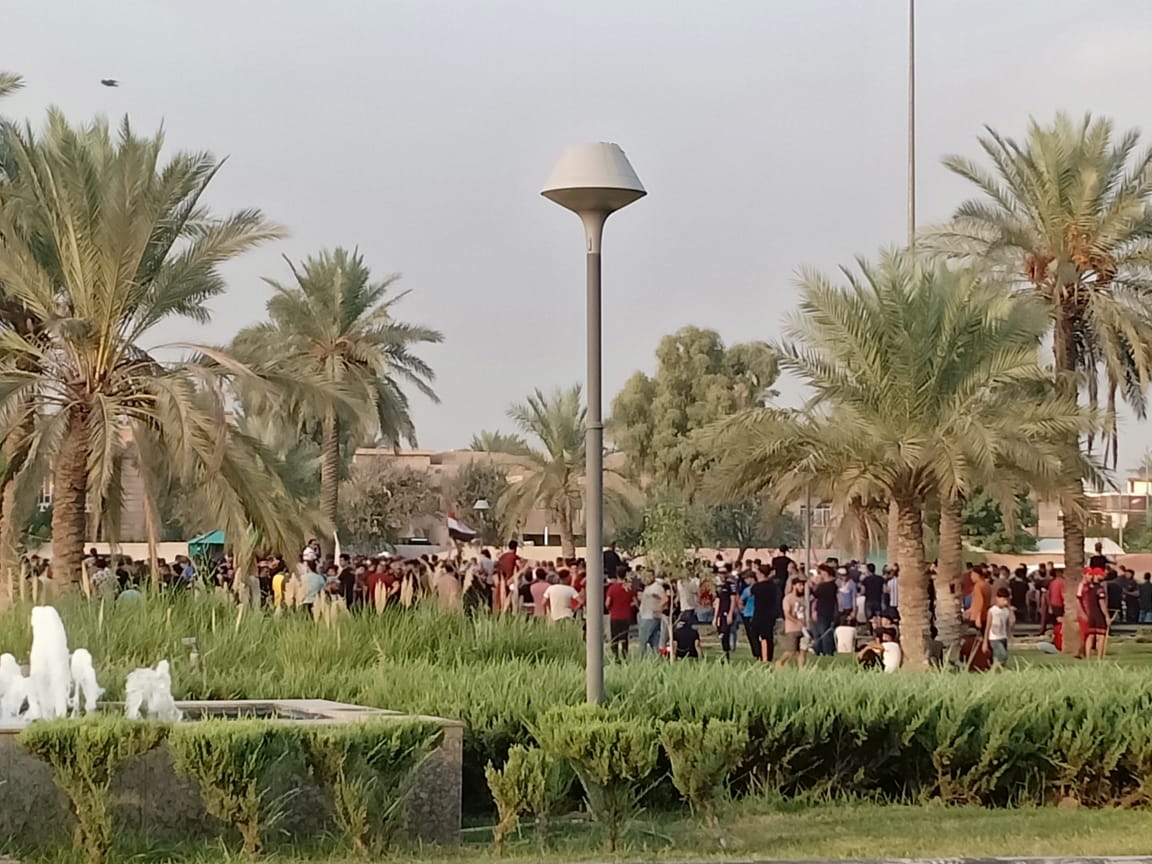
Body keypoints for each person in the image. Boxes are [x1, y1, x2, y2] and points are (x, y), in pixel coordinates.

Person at [749, 566, 780, 663]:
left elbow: (750, 593)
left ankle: (759, 654)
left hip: (759, 613)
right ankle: (768, 656)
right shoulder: (773, 586)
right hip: (770, 614)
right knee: (768, 636)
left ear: (761, 574)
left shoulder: (757, 587)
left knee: (754, 635)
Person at [604, 571, 636, 659]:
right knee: (624, 637)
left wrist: (610, 608)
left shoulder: (612, 588)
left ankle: (616, 657)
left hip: (615, 616)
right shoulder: (629, 588)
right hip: (626, 616)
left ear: (617, 576)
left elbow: (607, 603)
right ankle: (624, 656)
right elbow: (636, 602)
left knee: (615, 637)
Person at [777, 576, 807, 668]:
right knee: (791, 651)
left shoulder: (802, 599)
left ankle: (802, 670)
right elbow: (787, 614)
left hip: (803, 629)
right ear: (794, 585)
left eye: (803, 585)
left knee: (803, 650)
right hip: (792, 629)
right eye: (800, 585)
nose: (802, 587)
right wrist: (797, 622)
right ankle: (780, 663)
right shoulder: (788, 598)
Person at [984, 587, 1015, 667]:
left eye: (1006, 600)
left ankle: (997, 670)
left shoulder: (1006, 611)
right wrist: (985, 642)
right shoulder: (992, 611)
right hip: (994, 638)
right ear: (997, 598)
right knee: (1002, 655)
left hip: (1003, 637)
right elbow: (988, 626)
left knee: (999, 658)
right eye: (1003, 600)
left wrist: (1009, 635)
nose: (1005, 602)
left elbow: (1009, 623)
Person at [638, 573, 668, 655]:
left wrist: (658, 607)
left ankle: (641, 659)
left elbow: (665, 599)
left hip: (649, 617)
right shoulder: (648, 587)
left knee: (643, 640)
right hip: (647, 615)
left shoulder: (657, 587)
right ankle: (656, 658)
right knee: (654, 641)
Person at [811, 566, 838, 656]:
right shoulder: (832, 585)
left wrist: (813, 585)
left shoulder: (827, 586)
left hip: (823, 612)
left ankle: (827, 651)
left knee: (824, 633)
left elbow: (816, 594)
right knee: (822, 631)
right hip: (825, 611)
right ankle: (821, 650)